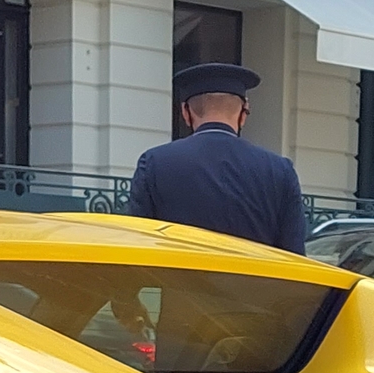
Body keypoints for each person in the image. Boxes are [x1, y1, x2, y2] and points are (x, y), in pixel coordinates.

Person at [127, 62, 307, 252]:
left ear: (186, 112)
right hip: (254, 281)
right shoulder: (280, 171)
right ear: (243, 113)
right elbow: (294, 254)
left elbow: (139, 245)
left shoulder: (154, 163)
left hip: (178, 281)